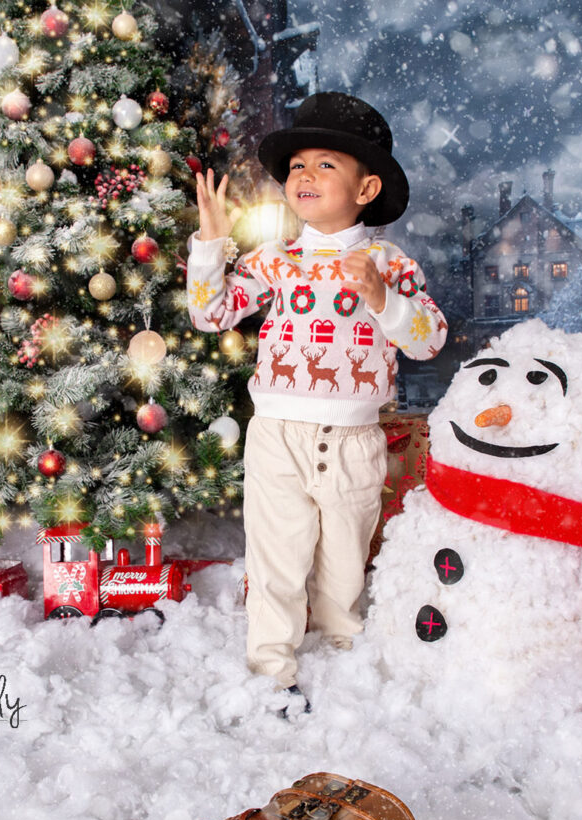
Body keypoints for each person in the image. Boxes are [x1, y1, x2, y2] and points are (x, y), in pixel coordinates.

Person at [186, 92, 448, 709]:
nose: (305, 176)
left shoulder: (389, 263)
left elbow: (430, 340)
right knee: (276, 557)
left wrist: (384, 300)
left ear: (366, 189)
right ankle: (271, 667)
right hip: (277, 432)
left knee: (343, 564)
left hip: (355, 440)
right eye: (297, 166)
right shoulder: (275, 259)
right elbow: (209, 313)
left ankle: (343, 654)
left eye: (326, 165)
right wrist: (209, 244)